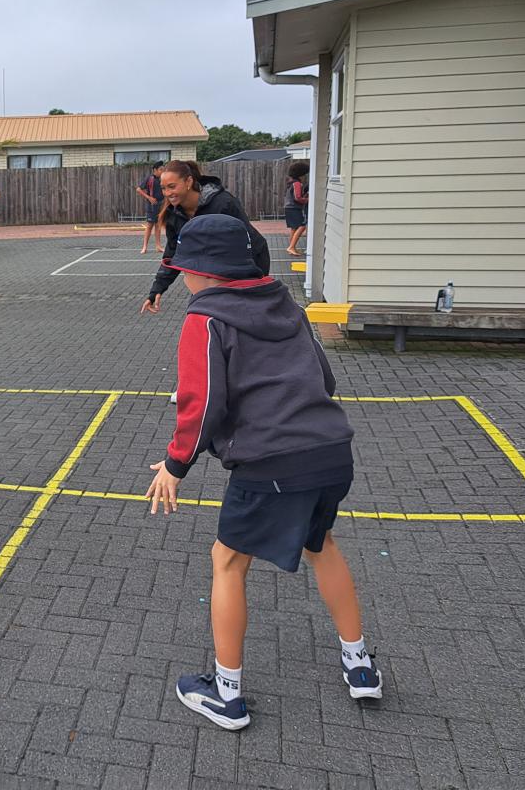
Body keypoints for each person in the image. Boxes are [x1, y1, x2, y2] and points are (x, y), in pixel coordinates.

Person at [144, 213, 381, 732]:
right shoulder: (286, 304)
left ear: (201, 270)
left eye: (184, 269)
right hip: (331, 450)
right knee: (322, 545)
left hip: (273, 462)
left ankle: (226, 695)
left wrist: (176, 464)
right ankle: (360, 665)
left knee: (227, 561)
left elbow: (201, 403)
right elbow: (323, 378)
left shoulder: (205, 318)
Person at [140, 160, 270, 316]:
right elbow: (173, 252)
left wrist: (252, 285)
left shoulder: (223, 203)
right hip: (209, 272)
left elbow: (248, 242)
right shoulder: (173, 215)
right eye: (163, 188)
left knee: (240, 315)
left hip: (250, 261)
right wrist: (157, 290)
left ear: (188, 182)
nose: (167, 193)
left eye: (172, 186)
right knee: (201, 312)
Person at [136, 161, 166, 254]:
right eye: (161, 169)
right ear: (155, 170)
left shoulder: (163, 179)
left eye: (163, 169)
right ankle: (144, 247)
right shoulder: (149, 179)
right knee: (149, 226)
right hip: (152, 206)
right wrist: (149, 198)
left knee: (158, 226)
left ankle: (158, 246)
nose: (162, 171)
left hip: (161, 205)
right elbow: (138, 189)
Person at [285, 161, 310, 255]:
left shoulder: (291, 182)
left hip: (289, 207)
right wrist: (307, 200)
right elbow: (297, 197)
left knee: (294, 228)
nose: (305, 176)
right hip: (294, 208)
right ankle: (291, 247)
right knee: (302, 226)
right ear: (301, 173)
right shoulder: (297, 183)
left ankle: (292, 247)